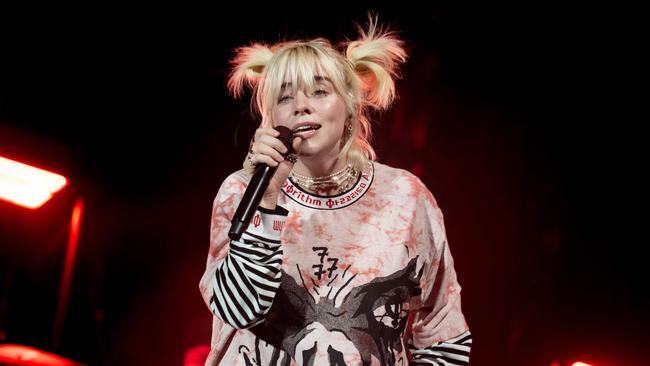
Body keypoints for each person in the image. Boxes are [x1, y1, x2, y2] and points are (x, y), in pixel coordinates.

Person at [199, 17, 471, 365]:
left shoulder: (404, 197)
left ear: (350, 107)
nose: (301, 105)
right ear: (269, 118)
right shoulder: (242, 191)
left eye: (319, 91)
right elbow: (239, 309)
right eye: (285, 96)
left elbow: (442, 336)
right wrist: (266, 201)